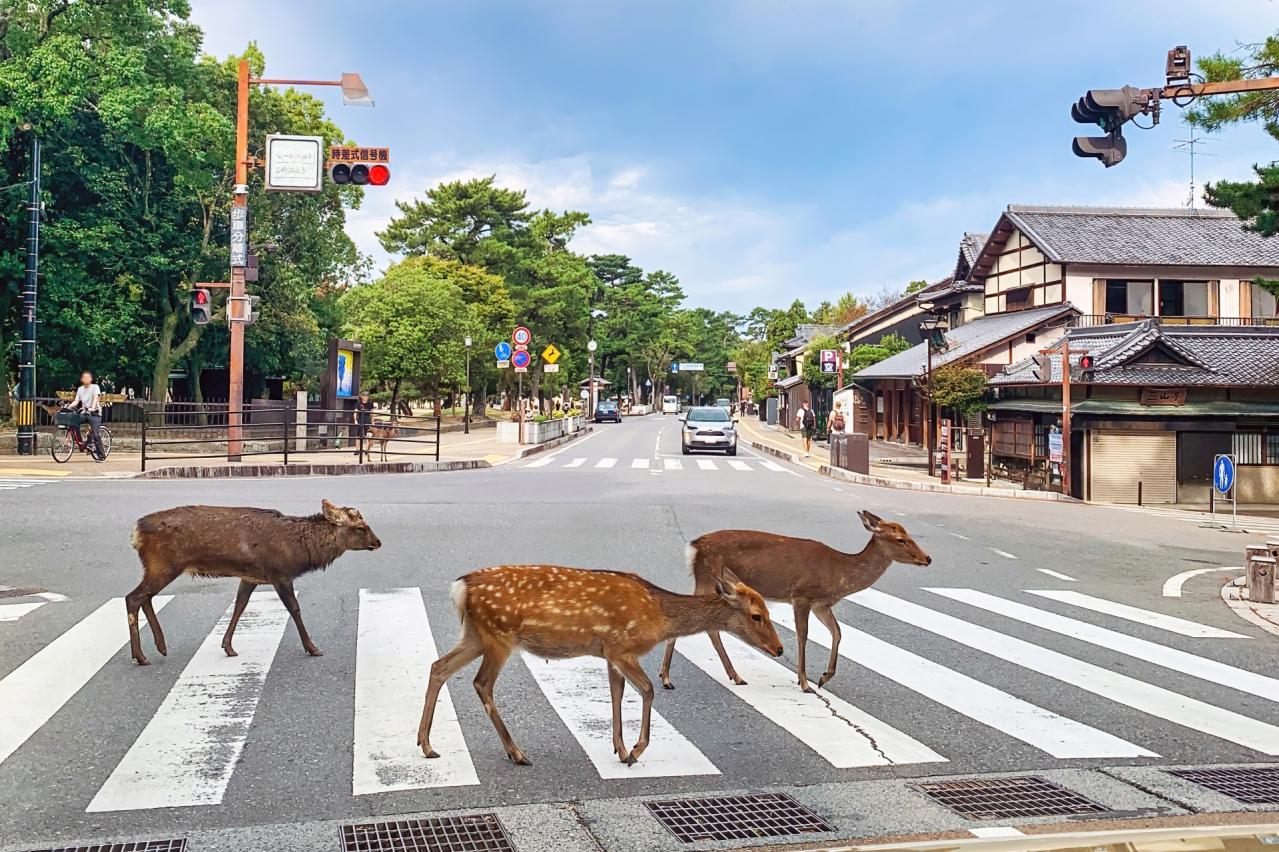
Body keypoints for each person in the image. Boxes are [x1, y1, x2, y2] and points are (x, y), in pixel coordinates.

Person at [68, 371, 105, 461]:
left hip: (94, 413)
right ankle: (81, 443)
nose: (86, 379)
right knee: (74, 421)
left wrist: (92, 408)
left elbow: (96, 398)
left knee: (96, 434)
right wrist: (68, 406)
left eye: (88, 377)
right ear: (82, 379)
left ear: (91, 379)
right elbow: (76, 401)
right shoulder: (80, 389)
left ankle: (101, 456)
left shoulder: (95, 387)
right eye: (84, 377)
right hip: (84, 412)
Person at [354, 389, 374, 459]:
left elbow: (372, 412)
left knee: (367, 435)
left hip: (367, 420)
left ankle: (366, 449)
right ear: (362, 396)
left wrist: (372, 420)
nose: (366, 397)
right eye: (364, 396)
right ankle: (357, 449)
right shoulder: (358, 403)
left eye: (367, 396)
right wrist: (355, 420)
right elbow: (355, 412)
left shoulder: (370, 403)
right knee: (358, 435)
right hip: (360, 420)